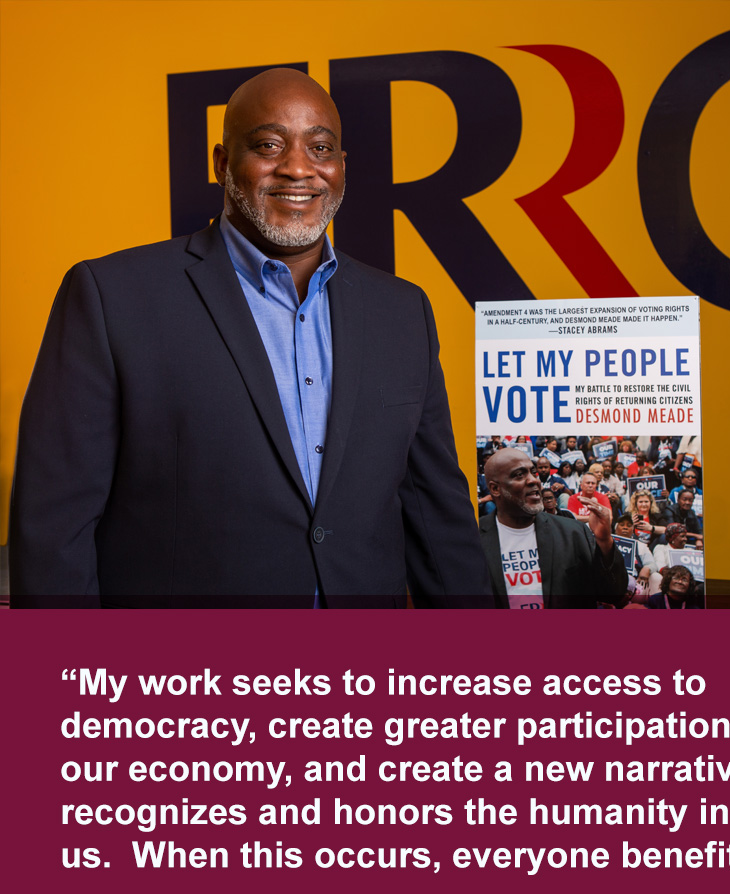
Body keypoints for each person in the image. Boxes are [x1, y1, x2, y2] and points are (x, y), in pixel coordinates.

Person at [9, 67, 490, 608]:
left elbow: (438, 517)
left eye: (320, 148)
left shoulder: (403, 312)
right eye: (268, 144)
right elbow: (54, 529)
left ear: (341, 167)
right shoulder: (110, 297)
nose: (297, 169)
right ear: (221, 163)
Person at [479, 448, 627, 609]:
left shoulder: (573, 533)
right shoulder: (474, 539)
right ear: (495, 489)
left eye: (533, 472)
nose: (533, 481)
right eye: (519, 475)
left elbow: (612, 593)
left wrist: (604, 541)